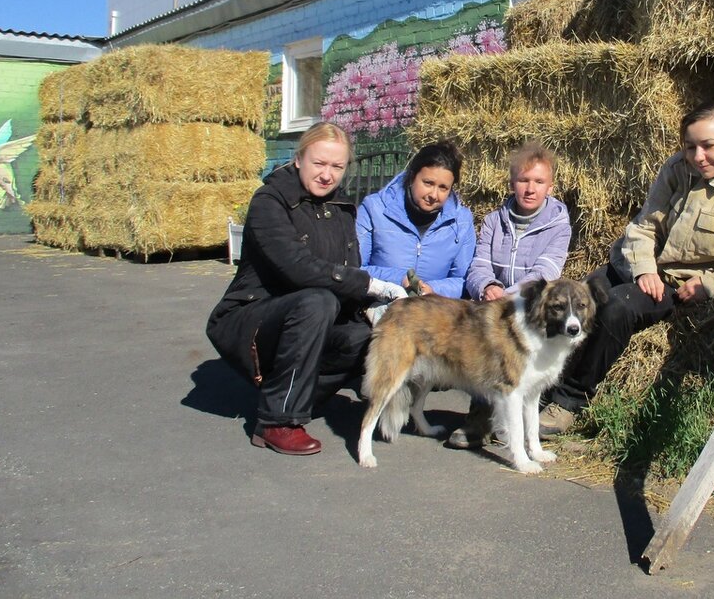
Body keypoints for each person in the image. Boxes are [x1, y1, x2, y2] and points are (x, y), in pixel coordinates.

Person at [539, 101, 714, 435]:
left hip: (676, 283)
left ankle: (570, 401)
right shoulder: (676, 169)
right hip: (634, 266)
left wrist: (712, 282)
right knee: (572, 299)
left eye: (708, 146)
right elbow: (644, 225)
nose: (698, 156)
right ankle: (534, 388)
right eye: (691, 147)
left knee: (617, 309)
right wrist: (644, 269)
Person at [205, 122, 404, 456]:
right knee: (317, 301)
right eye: (319, 163)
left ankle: (301, 398)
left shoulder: (341, 209)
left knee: (364, 336)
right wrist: (369, 284)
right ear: (299, 159)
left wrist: (372, 305)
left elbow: (346, 269)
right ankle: (276, 420)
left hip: (307, 317)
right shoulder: (270, 202)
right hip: (255, 317)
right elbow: (298, 269)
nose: (327, 174)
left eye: (337, 166)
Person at [447, 141, 573, 449]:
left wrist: (510, 294)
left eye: (538, 182)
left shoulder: (559, 224)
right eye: (523, 180)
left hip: (530, 308)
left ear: (550, 186)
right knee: (482, 352)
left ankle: (521, 432)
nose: (530, 188)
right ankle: (479, 418)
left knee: (525, 373)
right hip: (494, 304)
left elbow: (545, 272)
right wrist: (486, 285)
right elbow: (479, 263)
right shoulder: (494, 220)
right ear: (512, 182)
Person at [356, 140, 475, 299]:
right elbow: (356, 268)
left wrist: (433, 289)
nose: (433, 195)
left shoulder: (462, 221)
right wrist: (400, 279)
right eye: (428, 183)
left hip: (434, 310)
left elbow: (464, 279)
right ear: (412, 177)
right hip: (378, 303)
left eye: (443, 188)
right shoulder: (374, 209)